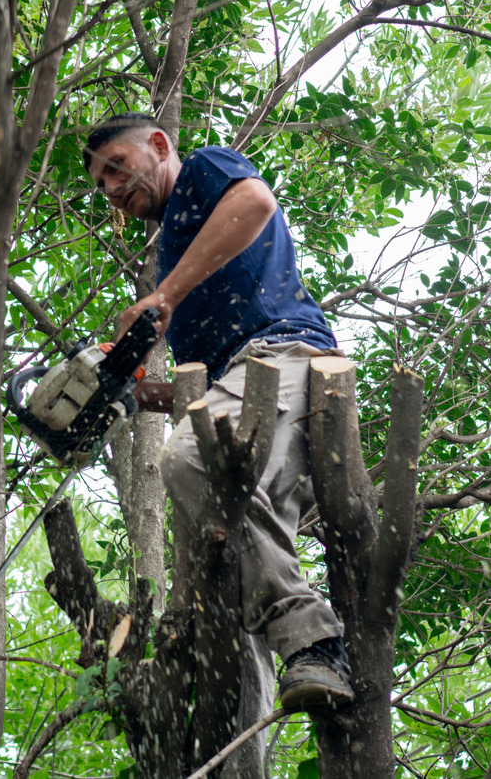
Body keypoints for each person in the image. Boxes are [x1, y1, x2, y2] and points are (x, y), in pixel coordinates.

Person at [84, 111, 353, 712]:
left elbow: (255, 201)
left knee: (189, 460)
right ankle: (288, 695)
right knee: (229, 574)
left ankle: (315, 639)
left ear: (159, 145)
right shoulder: (177, 248)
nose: (112, 189)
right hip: (245, 384)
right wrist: (130, 394)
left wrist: (163, 296)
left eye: (117, 168)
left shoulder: (204, 170)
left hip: (283, 357)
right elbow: (202, 389)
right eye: (101, 184)